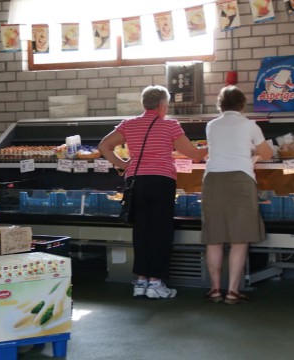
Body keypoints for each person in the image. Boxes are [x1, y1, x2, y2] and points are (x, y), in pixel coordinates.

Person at [98, 85, 207, 299]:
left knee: (141, 231)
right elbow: (193, 154)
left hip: (136, 182)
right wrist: (211, 148)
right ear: (161, 105)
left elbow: (104, 146)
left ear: (143, 104)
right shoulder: (170, 125)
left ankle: (140, 281)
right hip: (161, 182)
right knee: (160, 231)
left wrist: (124, 164)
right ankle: (156, 283)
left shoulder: (129, 124)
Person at [201, 85, 273, 305]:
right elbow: (267, 154)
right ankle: (232, 292)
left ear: (220, 105)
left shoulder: (211, 125)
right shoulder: (250, 125)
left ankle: (214, 290)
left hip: (212, 181)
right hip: (241, 181)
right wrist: (253, 155)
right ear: (242, 104)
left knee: (214, 239)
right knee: (239, 240)